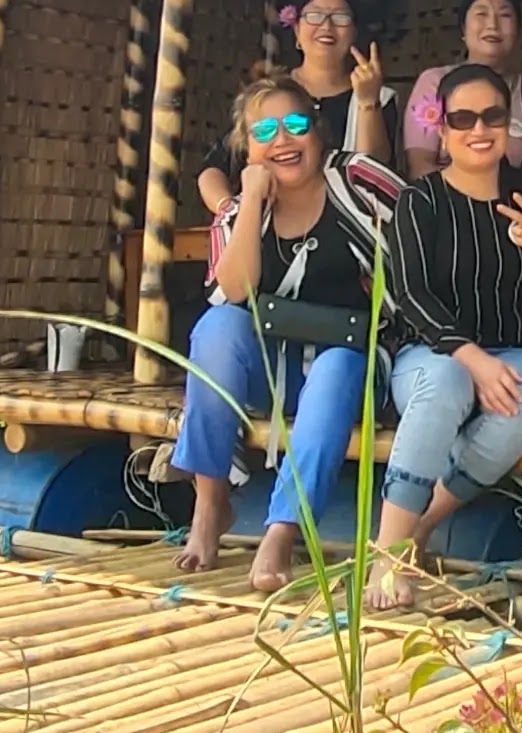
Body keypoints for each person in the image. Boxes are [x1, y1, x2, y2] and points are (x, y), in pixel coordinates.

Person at [368, 64, 522, 608]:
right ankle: (387, 554)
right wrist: (473, 360)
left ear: (508, 123)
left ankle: (423, 526)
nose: (479, 129)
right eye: (463, 118)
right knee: (445, 382)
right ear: (442, 129)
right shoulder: (419, 202)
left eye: (492, 116)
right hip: (431, 352)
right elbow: (411, 295)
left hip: (515, 349)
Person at [172, 75, 403, 592]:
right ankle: (210, 504)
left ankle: (283, 528)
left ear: (318, 131)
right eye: (264, 131)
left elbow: (419, 232)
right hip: (275, 372)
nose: (282, 139)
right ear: (247, 149)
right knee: (216, 327)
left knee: (336, 364)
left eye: (295, 124)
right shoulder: (239, 211)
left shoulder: (358, 180)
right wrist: (253, 199)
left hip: (352, 367)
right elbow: (234, 290)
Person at [197, 0, 397, 215]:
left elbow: (373, 175)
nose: (326, 26)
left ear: (354, 32)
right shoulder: (266, 95)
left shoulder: (381, 96)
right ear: (296, 30)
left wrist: (368, 101)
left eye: (340, 17)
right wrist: (231, 212)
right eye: (314, 15)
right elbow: (214, 168)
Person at [402, 0, 522, 186]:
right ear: (463, 29)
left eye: (505, 15)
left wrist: (506, 198)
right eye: (481, 14)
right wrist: (471, 198)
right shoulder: (434, 82)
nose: (492, 25)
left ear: (518, 31)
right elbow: (420, 166)